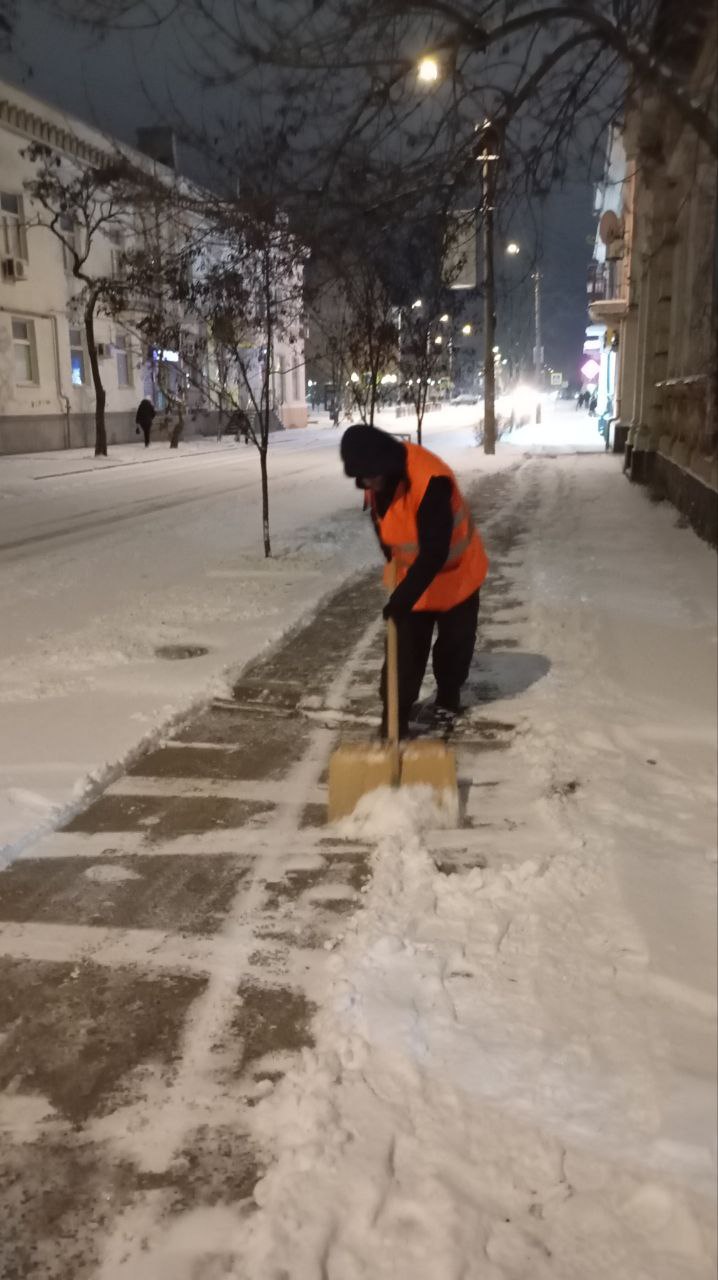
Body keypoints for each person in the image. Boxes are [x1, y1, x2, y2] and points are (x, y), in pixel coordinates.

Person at [340, 424, 489, 738]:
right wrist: (394, 566)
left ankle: (448, 699)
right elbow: (385, 527)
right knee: (403, 651)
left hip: (457, 573)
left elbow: (435, 552)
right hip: (414, 575)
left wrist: (402, 599)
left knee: (454, 645)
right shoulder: (376, 479)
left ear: (385, 466)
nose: (364, 484)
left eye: (368, 476)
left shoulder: (431, 481)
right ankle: (395, 718)